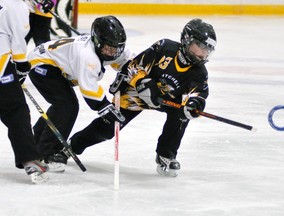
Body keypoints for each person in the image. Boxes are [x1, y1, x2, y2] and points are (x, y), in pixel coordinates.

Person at [65, 18, 217, 177]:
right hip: (137, 94)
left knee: (181, 115)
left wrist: (194, 104)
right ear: (186, 41)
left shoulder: (200, 73)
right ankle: (72, 146)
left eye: (206, 50)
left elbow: (198, 93)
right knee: (109, 127)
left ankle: (166, 154)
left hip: (166, 99)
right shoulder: (165, 48)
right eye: (198, 47)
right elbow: (134, 66)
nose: (202, 54)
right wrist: (143, 83)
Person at [27, 15, 131, 171]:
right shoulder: (87, 56)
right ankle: (47, 152)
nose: (112, 53)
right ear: (97, 42)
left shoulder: (109, 48)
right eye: (108, 48)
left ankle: (34, 143)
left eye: (117, 48)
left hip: (56, 66)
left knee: (62, 105)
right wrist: (105, 107)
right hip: (41, 65)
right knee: (66, 106)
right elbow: (89, 90)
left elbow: (129, 62)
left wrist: (126, 73)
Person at [0, 0, 49, 183]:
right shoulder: (17, 5)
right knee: (15, 110)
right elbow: (18, 41)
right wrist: (21, 66)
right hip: (1, 63)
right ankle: (30, 159)